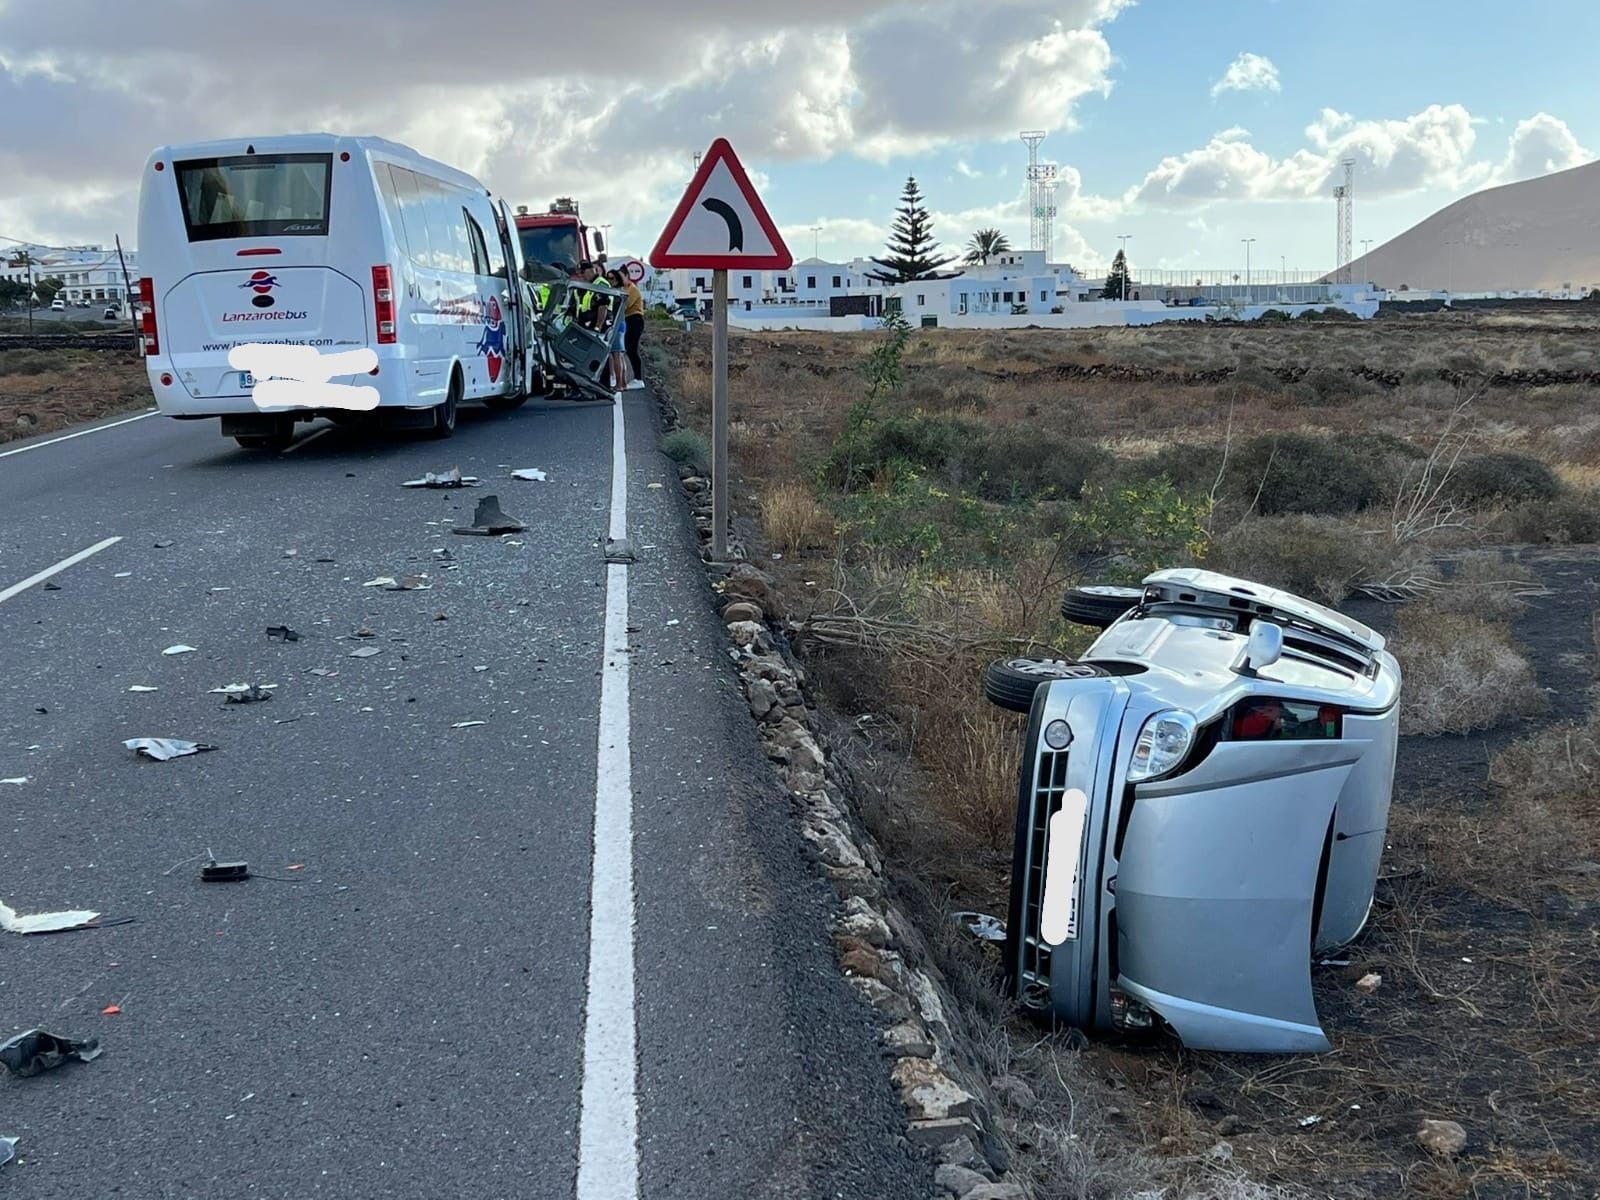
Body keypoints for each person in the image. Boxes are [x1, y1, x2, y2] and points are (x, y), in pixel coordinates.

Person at [600, 268, 631, 393]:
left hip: (617, 325)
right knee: (620, 356)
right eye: (608, 278)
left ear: (617, 279)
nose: (609, 280)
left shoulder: (616, 293)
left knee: (616, 355)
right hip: (621, 324)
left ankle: (619, 383)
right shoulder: (621, 292)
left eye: (612, 278)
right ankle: (623, 383)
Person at [621, 268, 646, 389]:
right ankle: (636, 378)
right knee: (628, 348)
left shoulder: (633, 289)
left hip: (635, 319)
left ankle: (638, 379)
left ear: (627, 275)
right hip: (628, 320)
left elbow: (626, 305)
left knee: (632, 349)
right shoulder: (624, 289)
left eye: (621, 277)